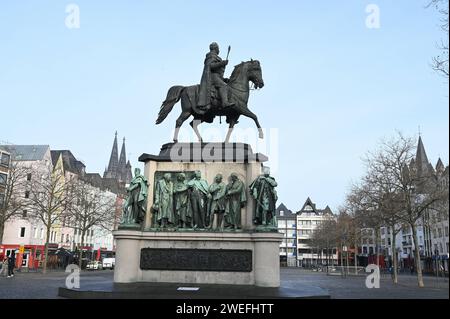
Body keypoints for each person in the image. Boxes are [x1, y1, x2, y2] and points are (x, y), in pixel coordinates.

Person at [198, 42, 235, 112]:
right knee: (223, 85)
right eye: (218, 48)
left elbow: (218, 72)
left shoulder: (214, 56)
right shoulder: (211, 55)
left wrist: (224, 79)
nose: (219, 50)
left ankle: (193, 123)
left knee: (224, 83)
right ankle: (225, 103)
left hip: (216, 76)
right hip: (212, 77)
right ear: (216, 48)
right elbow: (211, 66)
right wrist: (222, 63)